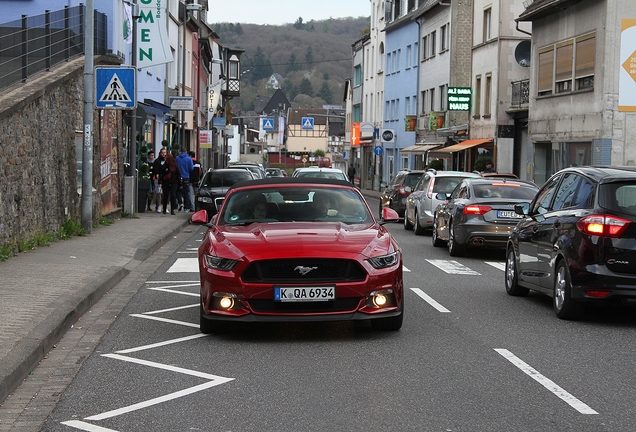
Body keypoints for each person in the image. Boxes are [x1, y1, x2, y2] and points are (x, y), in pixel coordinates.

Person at [176, 148, 194, 212]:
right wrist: (187, 170)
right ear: (186, 152)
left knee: (178, 191)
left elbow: (175, 167)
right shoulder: (189, 159)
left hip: (178, 176)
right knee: (186, 193)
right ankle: (185, 207)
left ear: (180, 151)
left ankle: (180, 202)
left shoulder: (177, 158)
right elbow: (191, 168)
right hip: (186, 177)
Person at [153, 147, 167, 213]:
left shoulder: (167, 160)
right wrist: (157, 174)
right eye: (162, 152)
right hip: (159, 178)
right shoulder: (157, 161)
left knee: (165, 193)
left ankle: (165, 206)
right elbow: (155, 169)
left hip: (166, 178)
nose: (163, 154)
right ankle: (159, 205)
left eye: (164, 152)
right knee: (159, 192)